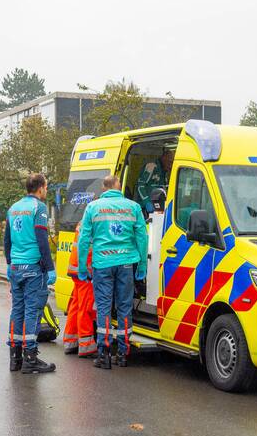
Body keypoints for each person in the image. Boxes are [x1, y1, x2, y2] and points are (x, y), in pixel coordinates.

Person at [77, 174, 148, 369]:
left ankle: (104, 354)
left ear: (104, 188)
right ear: (118, 186)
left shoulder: (93, 207)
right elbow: (142, 237)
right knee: (125, 307)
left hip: (102, 264)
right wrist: (142, 265)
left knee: (104, 307)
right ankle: (123, 354)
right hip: (126, 263)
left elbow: (84, 240)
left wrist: (83, 267)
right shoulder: (133, 207)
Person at [4, 174, 57, 375]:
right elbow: (42, 239)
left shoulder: (14, 208)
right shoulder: (39, 208)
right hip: (34, 267)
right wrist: (50, 267)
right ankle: (31, 358)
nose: (46, 191)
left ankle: (15, 357)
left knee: (17, 309)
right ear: (41, 188)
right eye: (46, 187)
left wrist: (9, 263)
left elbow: (7, 239)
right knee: (32, 310)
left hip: (17, 267)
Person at [63, 221, 97, 358]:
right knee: (85, 307)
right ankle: (86, 346)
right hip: (85, 270)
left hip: (75, 268)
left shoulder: (83, 222)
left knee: (76, 306)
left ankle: (70, 342)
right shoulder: (94, 223)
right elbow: (91, 249)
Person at [135, 149, 174, 214]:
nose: (171, 165)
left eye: (172, 163)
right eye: (170, 162)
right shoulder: (152, 166)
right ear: (164, 158)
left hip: (158, 207)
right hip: (144, 208)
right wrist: (146, 202)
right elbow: (140, 186)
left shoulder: (165, 172)